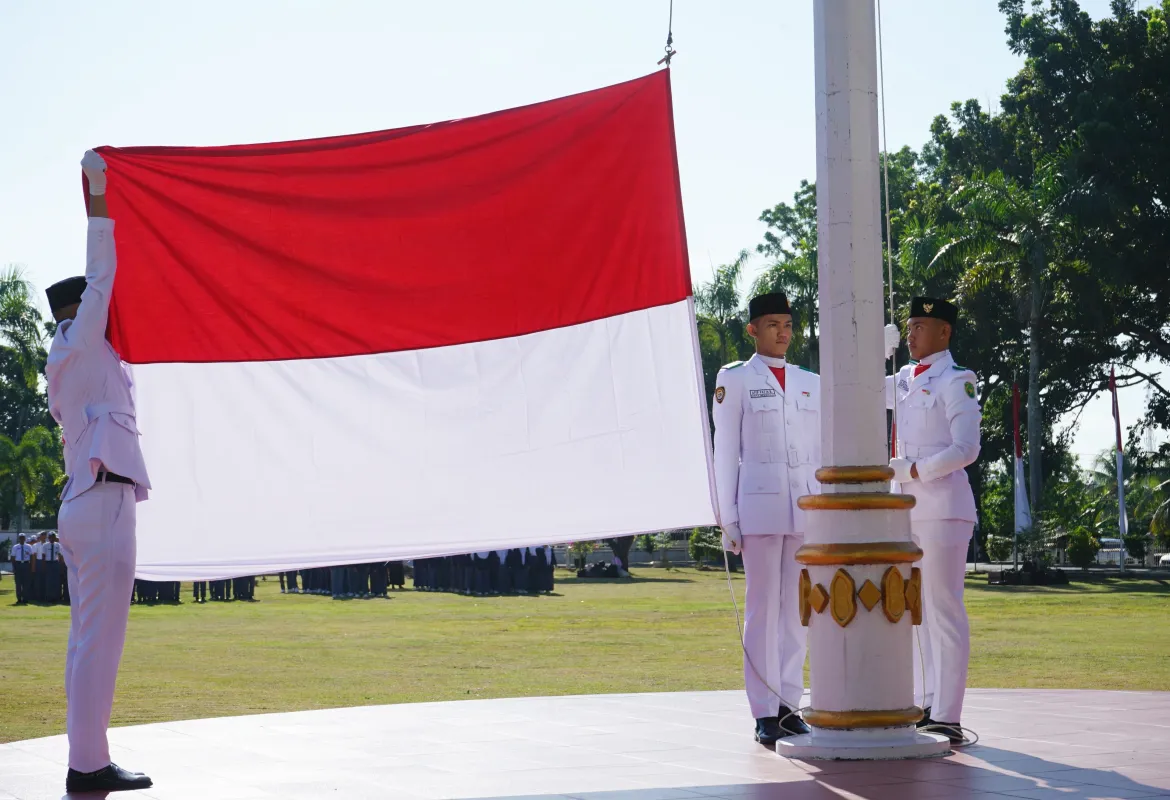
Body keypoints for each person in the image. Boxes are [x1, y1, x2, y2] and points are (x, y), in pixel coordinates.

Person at [44, 150, 153, 793]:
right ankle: (88, 766)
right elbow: (102, 272)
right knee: (99, 645)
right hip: (104, 499)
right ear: (78, 311)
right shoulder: (83, 341)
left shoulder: (62, 363)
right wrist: (100, 193)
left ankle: (84, 756)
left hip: (80, 503)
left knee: (84, 641)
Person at [712, 291, 818, 746]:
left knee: (796, 613)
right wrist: (727, 516)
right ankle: (763, 711)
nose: (782, 333)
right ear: (753, 329)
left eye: (788, 325)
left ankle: (789, 706)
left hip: (803, 508)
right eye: (773, 324)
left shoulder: (809, 381)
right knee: (762, 611)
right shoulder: (736, 378)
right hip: (757, 508)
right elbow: (724, 451)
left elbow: (819, 450)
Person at [883, 297, 981, 746]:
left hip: (943, 507)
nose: (911, 333)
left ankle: (948, 714)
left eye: (920, 326)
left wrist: (914, 470)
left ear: (944, 332)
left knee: (943, 609)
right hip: (906, 509)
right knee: (915, 611)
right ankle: (925, 704)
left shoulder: (957, 380)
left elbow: (966, 448)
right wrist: (877, 354)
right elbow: (857, 391)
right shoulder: (905, 377)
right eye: (909, 326)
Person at [10, 533, 34, 605]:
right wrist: (14, 567)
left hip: (26, 564)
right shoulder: (15, 547)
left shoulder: (29, 546)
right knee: (18, 583)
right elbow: (13, 557)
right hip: (18, 564)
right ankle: (19, 598)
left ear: (25, 538)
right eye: (21, 538)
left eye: (23, 538)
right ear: (19, 538)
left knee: (26, 583)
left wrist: (31, 566)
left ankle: (25, 598)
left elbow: (31, 556)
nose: (22, 539)